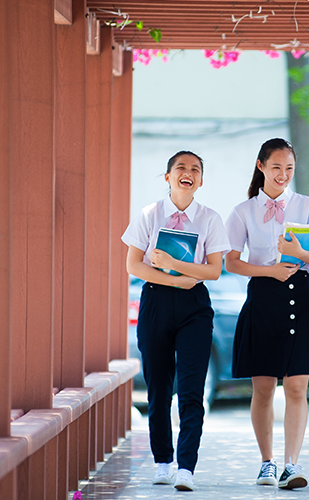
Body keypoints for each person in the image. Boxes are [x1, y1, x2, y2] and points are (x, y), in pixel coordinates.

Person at [224, 138, 309, 490]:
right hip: (263, 299)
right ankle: (267, 463)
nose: (283, 174)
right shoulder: (243, 211)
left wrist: (298, 252)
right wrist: (269, 270)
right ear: (261, 167)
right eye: (276, 167)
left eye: (289, 168)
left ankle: (292, 465)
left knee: (297, 387)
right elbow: (232, 261)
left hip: (301, 297)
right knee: (265, 388)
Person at [121, 151, 230, 492]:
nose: (188, 173)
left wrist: (175, 266)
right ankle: (163, 462)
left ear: (200, 181)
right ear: (167, 176)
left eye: (195, 169)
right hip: (156, 301)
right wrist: (174, 276)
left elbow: (213, 270)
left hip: (194, 307)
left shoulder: (210, 219)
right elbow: (133, 265)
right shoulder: (149, 215)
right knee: (158, 387)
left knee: (192, 389)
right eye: (181, 168)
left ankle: (186, 467)